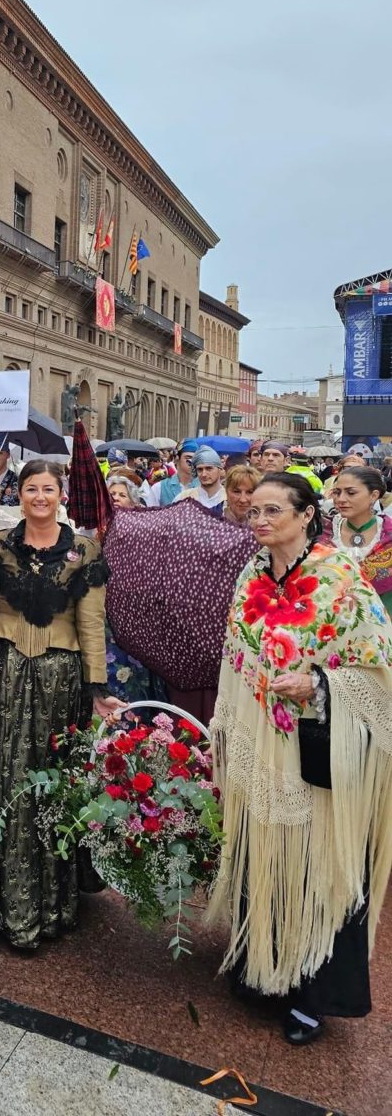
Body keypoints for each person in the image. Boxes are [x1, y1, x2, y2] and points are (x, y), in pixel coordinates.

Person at [208, 473, 392, 1044]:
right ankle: (260, 972)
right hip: (258, 742)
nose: (258, 519)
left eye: (271, 510)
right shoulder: (251, 573)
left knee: (315, 867)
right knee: (261, 856)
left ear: (306, 514)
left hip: (316, 750)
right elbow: (236, 652)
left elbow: (377, 664)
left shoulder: (340, 577)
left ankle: (312, 995)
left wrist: (320, 686)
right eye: (253, 510)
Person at [0, 460, 121, 949]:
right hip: (9, 670)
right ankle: (0, 900)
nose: (39, 496)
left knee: (51, 779)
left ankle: (52, 901)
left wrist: (96, 687)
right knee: (7, 775)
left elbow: (92, 622)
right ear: (20, 494)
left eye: (48, 489)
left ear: (61, 495)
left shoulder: (83, 551)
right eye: (31, 488)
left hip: (61, 677)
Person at [323, 465, 392, 617]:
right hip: (328, 623)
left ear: (373, 496)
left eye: (351, 492)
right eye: (337, 492)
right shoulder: (322, 531)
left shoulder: (389, 536)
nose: (340, 499)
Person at [176, 447, 226, 515]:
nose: (204, 474)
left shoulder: (230, 499)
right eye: (200, 469)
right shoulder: (184, 498)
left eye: (209, 468)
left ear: (219, 469)